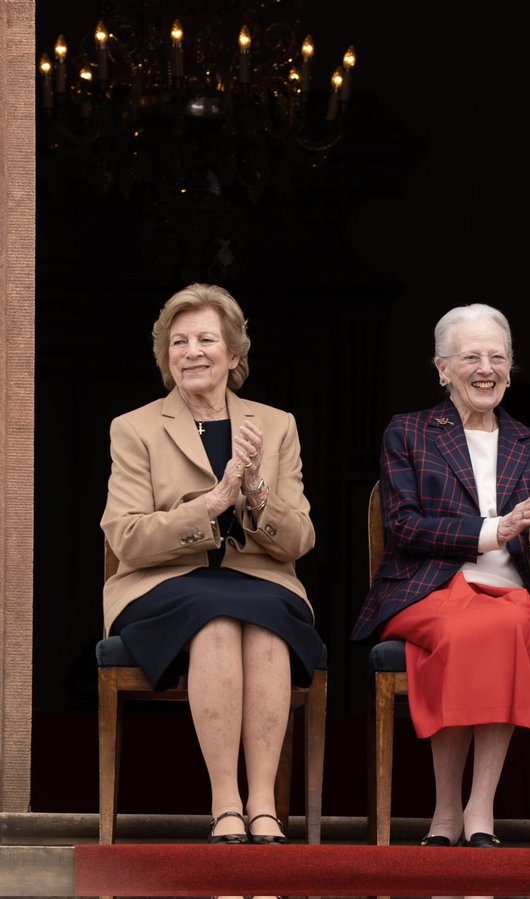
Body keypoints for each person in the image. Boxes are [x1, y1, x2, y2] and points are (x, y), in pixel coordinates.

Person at [351, 303, 530, 848]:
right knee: (486, 629)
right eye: (470, 357)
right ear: (442, 368)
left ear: (511, 367)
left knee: (504, 624)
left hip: (513, 595)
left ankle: (477, 806)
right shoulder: (409, 433)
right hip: (429, 591)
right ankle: (447, 811)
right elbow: (403, 527)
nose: (485, 368)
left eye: (497, 356)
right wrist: (497, 529)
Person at [100, 283, 322, 861]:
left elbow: (300, 539)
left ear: (233, 353)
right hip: (162, 584)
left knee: (266, 617)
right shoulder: (135, 427)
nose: (192, 351)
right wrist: (212, 504)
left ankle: (264, 802)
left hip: (261, 578)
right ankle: (227, 801)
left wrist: (254, 493)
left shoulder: (275, 425)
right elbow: (124, 536)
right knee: (218, 618)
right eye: (179, 341)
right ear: (164, 355)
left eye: (206, 339)